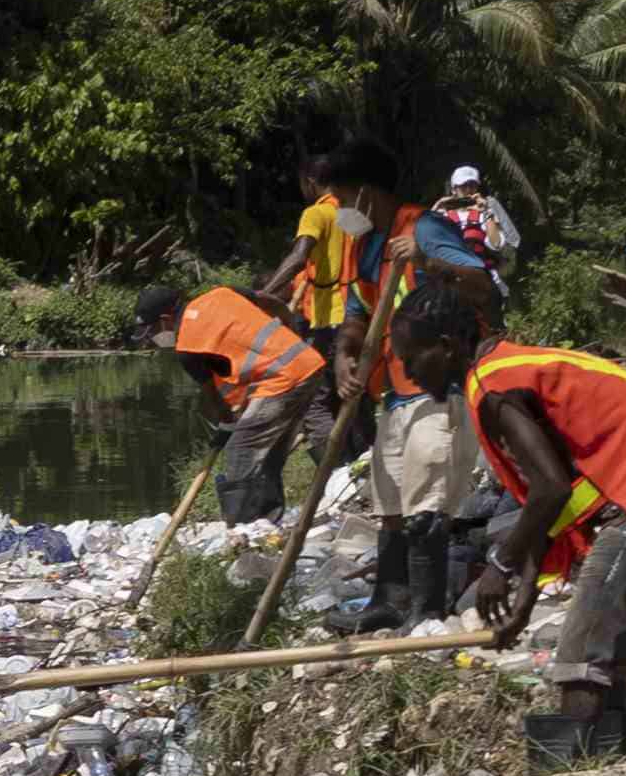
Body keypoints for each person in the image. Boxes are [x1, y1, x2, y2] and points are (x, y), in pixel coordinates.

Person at [394, 274, 626, 767]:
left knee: (582, 655)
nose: (408, 373)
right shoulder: (504, 368)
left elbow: (548, 489)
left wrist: (500, 566)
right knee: (602, 654)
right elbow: (553, 495)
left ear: (445, 346)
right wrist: (526, 596)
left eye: (412, 359)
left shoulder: (494, 386)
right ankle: (612, 773)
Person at [322, 141, 477, 634]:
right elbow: (357, 314)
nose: (341, 211)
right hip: (395, 393)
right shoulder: (365, 243)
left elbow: (484, 284)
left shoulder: (424, 228)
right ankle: (387, 600)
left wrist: (433, 262)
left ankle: (426, 610)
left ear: (366, 194)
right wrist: (344, 355)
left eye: (343, 199)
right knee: (389, 503)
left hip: (438, 394)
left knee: (427, 503)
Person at [138, 281, 329, 525]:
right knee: (269, 451)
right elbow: (273, 302)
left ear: (165, 319)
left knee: (240, 448)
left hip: (285, 380)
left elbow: (216, 403)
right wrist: (292, 328)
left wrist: (227, 427)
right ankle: (267, 519)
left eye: (153, 331)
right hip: (306, 364)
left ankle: (243, 524)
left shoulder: (187, 347)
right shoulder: (221, 294)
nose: (153, 338)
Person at [254, 152, 354, 360]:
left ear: (310, 182)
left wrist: (263, 295)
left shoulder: (315, 213)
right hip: (356, 315)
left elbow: (298, 257)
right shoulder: (352, 214)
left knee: (322, 387)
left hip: (330, 316)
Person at [430, 164, 520, 278]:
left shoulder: (485, 213)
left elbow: (497, 244)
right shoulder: (442, 216)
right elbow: (424, 242)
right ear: (454, 189)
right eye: (463, 186)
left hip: (481, 275)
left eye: (472, 185)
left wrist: (486, 211)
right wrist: (436, 207)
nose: (468, 190)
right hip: (450, 276)